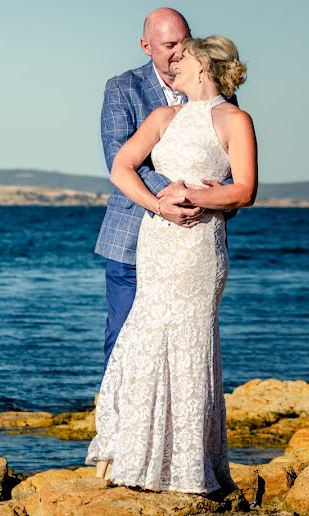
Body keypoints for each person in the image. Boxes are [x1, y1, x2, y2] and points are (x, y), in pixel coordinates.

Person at [85, 35, 257, 493]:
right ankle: (132, 457)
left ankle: (185, 466)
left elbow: (244, 190)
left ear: (204, 68)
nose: (175, 60)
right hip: (157, 243)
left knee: (190, 344)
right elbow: (121, 167)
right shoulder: (163, 117)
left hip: (199, 248)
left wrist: (193, 195)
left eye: (185, 54)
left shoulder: (235, 118)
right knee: (142, 339)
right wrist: (159, 206)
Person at [93, 8, 211, 376]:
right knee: (125, 335)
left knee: (185, 341)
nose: (179, 52)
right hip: (131, 234)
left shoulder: (213, 89)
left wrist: (214, 194)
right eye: (169, 45)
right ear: (146, 46)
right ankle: (117, 424)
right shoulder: (122, 88)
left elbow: (228, 157)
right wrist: (173, 194)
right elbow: (119, 158)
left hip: (194, 240)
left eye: (185, 41)